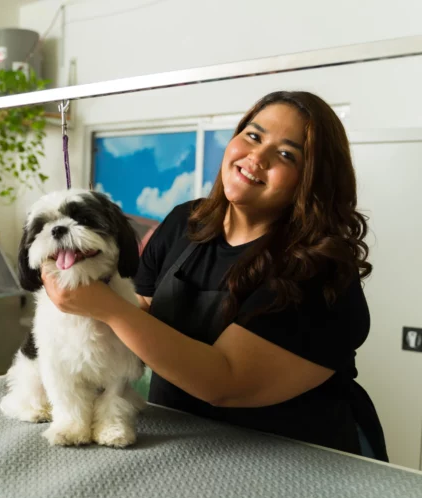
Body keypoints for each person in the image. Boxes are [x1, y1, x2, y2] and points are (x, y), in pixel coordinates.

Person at [40, 91, 388, 461]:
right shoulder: (185, 223)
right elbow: (138, 320)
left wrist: (107, 307)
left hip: (296, 458)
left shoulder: (317, 268)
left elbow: (225, 381)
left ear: (312, 180)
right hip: (179, 440)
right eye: (253, 136)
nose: (258, 157)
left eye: (286, 154)